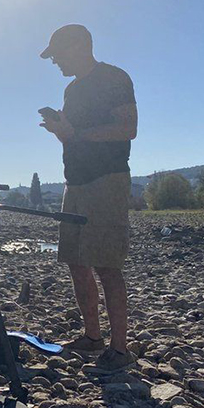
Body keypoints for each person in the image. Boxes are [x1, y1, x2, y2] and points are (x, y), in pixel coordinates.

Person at [38, 24, 138, 374]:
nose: (55, 63)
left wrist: (75, 133)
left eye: (57, 55)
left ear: (79, 47)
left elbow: (129, 128)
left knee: (107, 264)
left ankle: (120, 349)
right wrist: (62, 132)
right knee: (75, 260)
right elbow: (74, 141)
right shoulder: (72, 89)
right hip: (74, 182)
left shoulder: (114, 78)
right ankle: (93, 337)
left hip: (106, 181)